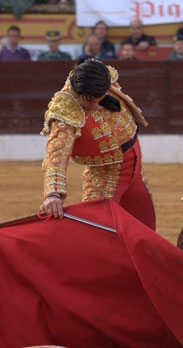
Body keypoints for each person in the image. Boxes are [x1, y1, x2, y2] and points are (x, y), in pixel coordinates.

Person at [40, 58, 156, 230]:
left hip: (135, 169)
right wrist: (53, 193)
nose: (94, 106)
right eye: (89, 101)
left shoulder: (101, 78)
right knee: (96, 231)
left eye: (98, 99)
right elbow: (56, 151)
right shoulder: (64, 109)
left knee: (145, 228)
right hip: (105, 176)